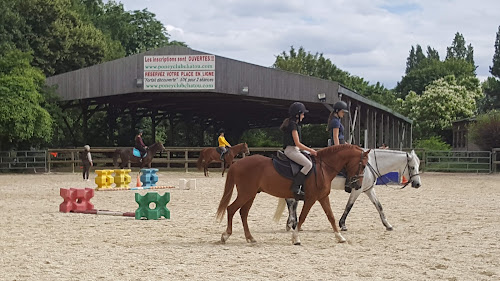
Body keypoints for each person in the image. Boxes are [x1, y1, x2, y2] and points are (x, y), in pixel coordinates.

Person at [280, 102, 317, 199]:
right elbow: (297, 143)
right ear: (297, 114)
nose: (304, 116)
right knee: (308, 164)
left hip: (294, 150)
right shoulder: (293, 125)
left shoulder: (292, 123)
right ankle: (296, 187)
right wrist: (311, 150)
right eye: (303, 114)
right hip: (291, 150)